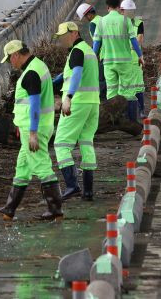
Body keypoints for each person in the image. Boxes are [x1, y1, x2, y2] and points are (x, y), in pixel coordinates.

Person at [0, 40, 63, 221]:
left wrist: (32, 133)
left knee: (41, 165)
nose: (11, 63)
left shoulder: (30, 74)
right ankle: (9, 209)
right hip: (39, 125)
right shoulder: (39, 66)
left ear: (16, 55)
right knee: (23, 167)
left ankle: (55, 209)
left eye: (10, 59)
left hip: (33, 128)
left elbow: (34, 105)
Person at [53, 22, 100, 201]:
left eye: (64, 35)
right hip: (92, 103)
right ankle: (88, 191)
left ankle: (72, 186)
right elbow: (66, 76)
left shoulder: (77, 51)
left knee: (61, 144)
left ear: (74, 33)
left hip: (78, 102)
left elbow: (77, 74)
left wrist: (68, 97)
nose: (62, 39)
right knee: (86, 142)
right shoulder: (88, 51)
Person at [92, 0, 144, 122]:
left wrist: (93, 58)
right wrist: (140, 56)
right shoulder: (125, 20)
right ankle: (131, 121)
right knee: (129, 92)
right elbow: (134, 41)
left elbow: (96, 43)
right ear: (119, 6)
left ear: (107, 7)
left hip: (108, 63)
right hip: (125, 62)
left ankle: (113, 122)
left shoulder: (101, 22)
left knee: (111, 92)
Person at [120, 0, 146, 119]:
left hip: (135, 58)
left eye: (131, 11)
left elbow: (139, 39)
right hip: (123, 58)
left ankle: (141, 109)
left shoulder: (138, 23)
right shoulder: (119, 22)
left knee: (138, 85)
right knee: (124, 86)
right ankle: (126, 111)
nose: (130, 13)